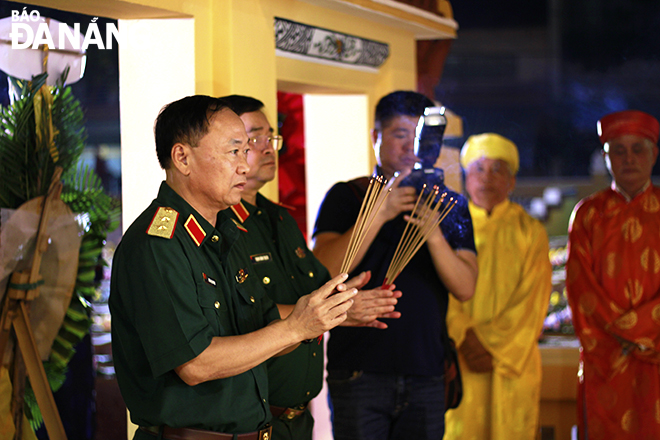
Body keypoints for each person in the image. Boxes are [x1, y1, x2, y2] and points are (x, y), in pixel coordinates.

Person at [109, 95, 358, 440]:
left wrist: (324, 311)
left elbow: (265, 324)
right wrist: (296, 328)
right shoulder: (157, 245)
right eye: (234, 151)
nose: (244, 165)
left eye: (246, 151)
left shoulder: (225, 232)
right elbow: (196, 364)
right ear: (182, 157)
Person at [219, 94, 402, 440]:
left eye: (270, 137)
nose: (269, 147)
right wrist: (337, 309)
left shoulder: (279, 218)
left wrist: (346, 299)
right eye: (254, 138)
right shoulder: (220, 225)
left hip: (297, 421)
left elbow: (314, 288)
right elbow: (242, 314)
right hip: (247, 419)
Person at [312, 90, 478, 440]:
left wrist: (433, 235)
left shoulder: (450, 205)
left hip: (427, 372)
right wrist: (382, 212)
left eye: (421, 136)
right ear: (377, 137)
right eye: (400, 135)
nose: (411, 147)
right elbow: (322, 271)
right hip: (359, 371)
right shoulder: (349, 195)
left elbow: (465, 287)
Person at [444, 133, 552, 440]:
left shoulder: (530, 231)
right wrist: (464, 336)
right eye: (479, 168)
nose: (486, 178)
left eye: (497, 170)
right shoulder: (448, 229)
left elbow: (533, 300)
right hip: (461, 359)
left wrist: (487, 345)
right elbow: (441, 294)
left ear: (512, 181)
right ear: (465, 177)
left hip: (511, 365)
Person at [566, 109, 660, 439]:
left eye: (638, 149)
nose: (628, 158)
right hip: (605, 359)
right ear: (606, 157)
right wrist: (623, 337)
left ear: (654, 154)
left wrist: (639, 333)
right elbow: (580, 288)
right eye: (618, 150)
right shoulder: (588, 214)